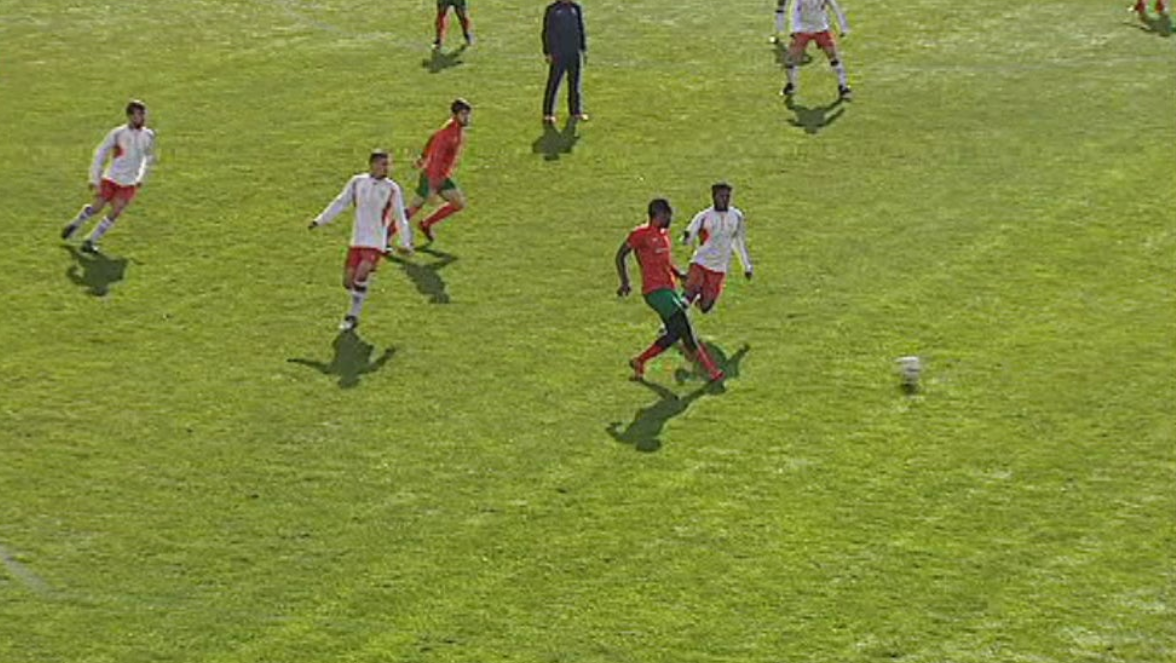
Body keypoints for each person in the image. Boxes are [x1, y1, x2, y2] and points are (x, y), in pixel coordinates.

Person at [616, 198, 724, 382]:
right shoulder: (640, 234)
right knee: (684, 325)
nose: (670, 219)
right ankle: (712, 371)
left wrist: (679, 275)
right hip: (655, 291)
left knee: (674, 333)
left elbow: (665, 262)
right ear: (659, 214)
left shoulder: (663, 236)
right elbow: (620, 255)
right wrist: (625, 282)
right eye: (668, 215)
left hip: (668, 290)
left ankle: (639, 361)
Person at [308, 150, 413, 332]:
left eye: (389, 164)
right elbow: (341, 202)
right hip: (357, 239)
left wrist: (405, 243)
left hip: (375, 242)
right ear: (372, 164)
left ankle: (352, 316)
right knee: (348, 282)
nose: (387, 168)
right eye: (384, 164)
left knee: (361, 273)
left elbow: (400, 217)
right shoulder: (357, 182)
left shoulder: (392, 189)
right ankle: (359, 296)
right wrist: (320, 220)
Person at [61, 100, 157, 254]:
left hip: (129, 182)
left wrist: (141, 178)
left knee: (116, 210)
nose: (142, 118)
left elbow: (148, 157)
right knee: (97, 207)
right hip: (111, 178)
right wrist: (94, 178)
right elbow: (100, 153)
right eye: (138, 114)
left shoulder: (148, 135)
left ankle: (91, 240)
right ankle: (75, 224)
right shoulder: (118, 133)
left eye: (143, 114)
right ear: (130, 116)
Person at [680, 182, 753, 314]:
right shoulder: (704, 216)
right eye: (721, 196)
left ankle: (697, 299)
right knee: (687, 296)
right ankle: (671, 321)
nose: (725, 200)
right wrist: (687, 237)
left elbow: (738, 242)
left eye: (727, 196)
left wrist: (746, 267)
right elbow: (690, 233)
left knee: (706, 307)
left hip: (719, 267)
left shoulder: (736, 216)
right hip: (701, 262)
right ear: (714, 197)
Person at [407, 99, 471, 243]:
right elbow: (436, 160)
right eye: (463, 114)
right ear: (455, 115)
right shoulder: (448, 134)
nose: (467, 118)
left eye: (467, 114)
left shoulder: (454, 128)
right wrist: (432, 188)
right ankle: (385, 235)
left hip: (442, 176)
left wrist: (423, 156)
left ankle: (426, 224)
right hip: (431, 176)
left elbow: (432, 137)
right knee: (414, 208)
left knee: (458, 204)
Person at [779, 0, 853, 101]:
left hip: (821, 29)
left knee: (833, 56)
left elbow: (835, 8)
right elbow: (793, 11)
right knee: (791, 59)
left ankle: (843, 86)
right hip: (803, 29)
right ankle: (791, 84)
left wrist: (843, 27)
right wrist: (793, 30)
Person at [542, 0, 588, 124]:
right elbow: (547, 31)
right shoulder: (552, 10)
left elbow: (580, 28)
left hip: (574, 51)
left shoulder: (575, 8)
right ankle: (548, 113)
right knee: (554, 83)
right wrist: (547, 52)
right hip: (558, 53)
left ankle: (575, 112)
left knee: (574, 83)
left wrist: (583, 48)